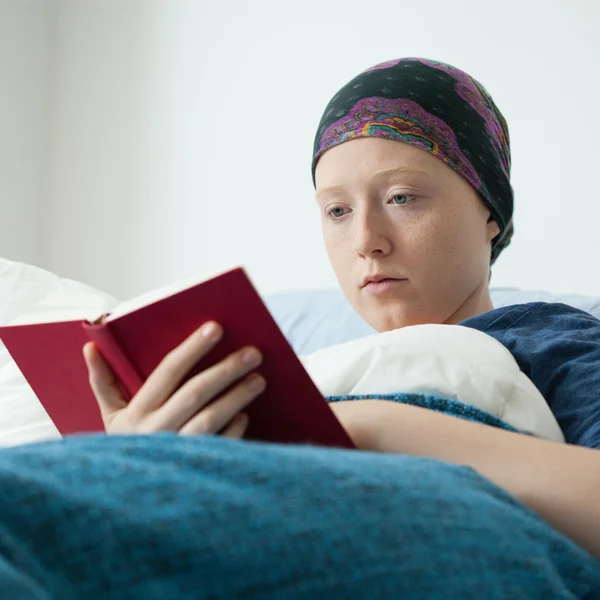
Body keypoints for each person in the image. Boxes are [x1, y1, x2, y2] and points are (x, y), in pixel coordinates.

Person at [83, 57, 600, 564]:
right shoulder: (300, 369)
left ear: (490, 211)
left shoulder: (554, 340)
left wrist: (365, 427)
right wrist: (131, 462)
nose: (366, 241)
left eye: (402, 198)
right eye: (337, 211)